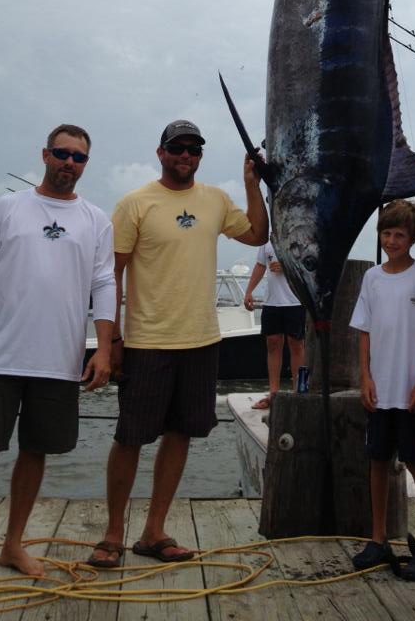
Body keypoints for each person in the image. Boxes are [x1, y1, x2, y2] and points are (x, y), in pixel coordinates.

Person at [88, 120, 268, 569]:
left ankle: (154, 530)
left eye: (194, 149)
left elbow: (257, 236)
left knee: (182, 434)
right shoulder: (135, 204)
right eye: (178, 148)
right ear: (161, 152)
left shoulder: (215, 200)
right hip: (148, 341)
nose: (186, 155)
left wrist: (251, 185)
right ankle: (112, 534)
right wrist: (112, 342)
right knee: (129, 437)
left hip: (203, 340)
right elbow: (111, 275)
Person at [0, 124, 115, 576]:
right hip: (1, 354)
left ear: (85, 164)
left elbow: (105, 283)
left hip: (59, 360)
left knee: (36, 451)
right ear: (45, 154)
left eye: (79, 157)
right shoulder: (8, 208)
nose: (70, 163)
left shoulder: (96, 219)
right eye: (62, 153)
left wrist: (103, 350)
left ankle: (12, 544)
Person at [349, 199, 415, 582]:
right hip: (380, 389)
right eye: (386, 233)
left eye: (399, 234)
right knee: (377, 461)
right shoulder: (372, 278)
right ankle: (379, 538)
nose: (392, 241)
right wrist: (365, 378)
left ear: (413, 238)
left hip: (412, 390)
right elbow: (364, 332)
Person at [244, 237, 306, 410]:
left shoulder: (299, 236)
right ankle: (273, 394)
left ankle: (299, 393)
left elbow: (309, 264)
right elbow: (260, 265)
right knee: (272, 344)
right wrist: (249, 291)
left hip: (296, 300)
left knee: (297, 345)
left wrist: (287, 267)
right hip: (271, 301)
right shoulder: (266, 240)